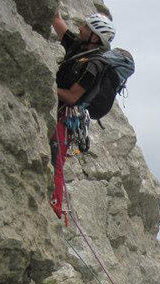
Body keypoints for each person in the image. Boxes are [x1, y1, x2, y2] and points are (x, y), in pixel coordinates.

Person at [49, 11, 116, 223]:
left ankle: (56, 205)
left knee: (56, 158)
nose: (80, 28)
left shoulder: (94, 65)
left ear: (95, 37)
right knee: (54, 155)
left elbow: (71, 96)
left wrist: (47, 85)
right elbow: (57, 21)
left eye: (85, 27)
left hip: (66, 117)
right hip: (57, 110)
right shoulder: (79, 47)